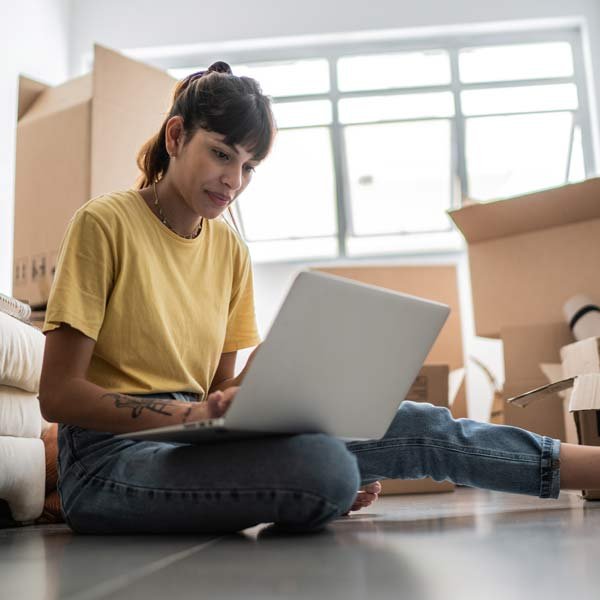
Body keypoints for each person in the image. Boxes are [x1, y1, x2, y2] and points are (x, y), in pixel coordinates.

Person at [39, 62, 600, 535]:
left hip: (190, 442)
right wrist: (195, 411)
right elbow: (58, 396)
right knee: (325, 468)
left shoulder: (230, 250)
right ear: (176, 136)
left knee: (418, 424)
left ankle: (591, 468)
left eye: (248, 167)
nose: (233, 180)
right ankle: (311, 484)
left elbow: (218, 394)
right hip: (105, 461)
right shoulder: (104, 224)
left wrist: (272, 385)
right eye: (221, 154)